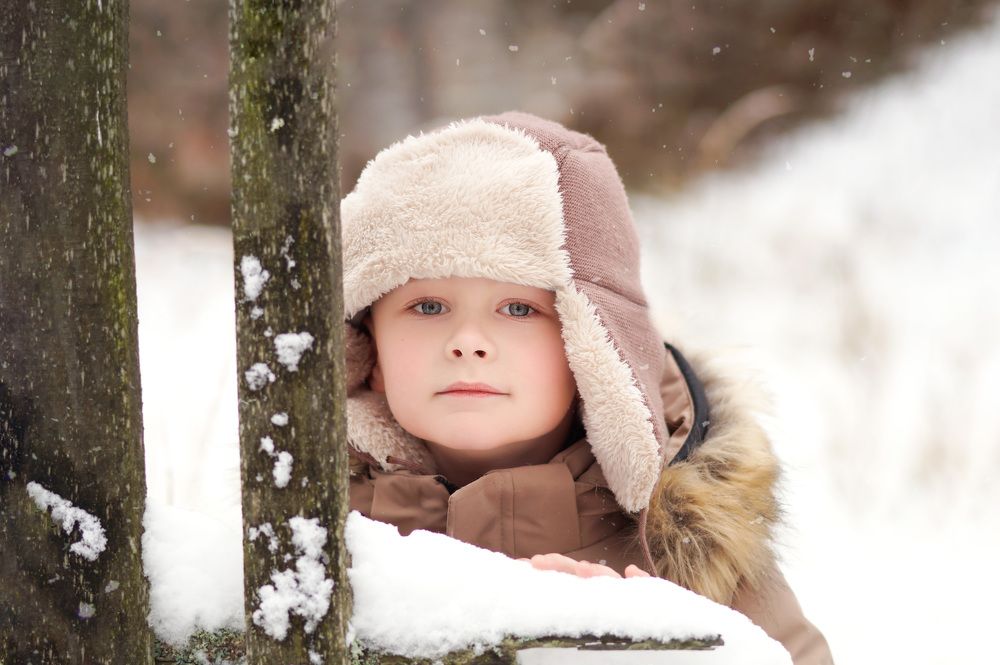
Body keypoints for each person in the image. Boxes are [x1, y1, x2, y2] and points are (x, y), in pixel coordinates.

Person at [341, 110, 834, 665]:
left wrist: (641, 653)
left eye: (519, 308)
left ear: (594, 349)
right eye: (427, 306)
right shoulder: (321, 539)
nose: (468, 342)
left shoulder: (687, 547)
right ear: (369, 352)